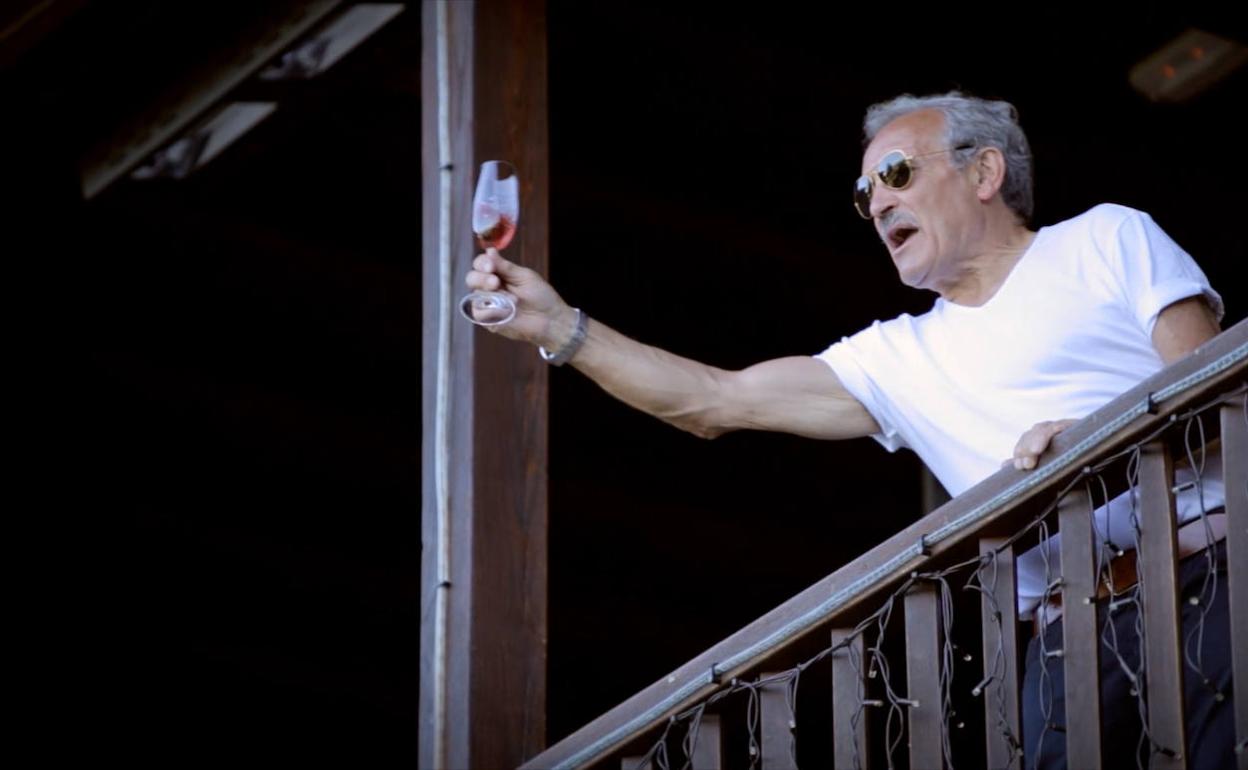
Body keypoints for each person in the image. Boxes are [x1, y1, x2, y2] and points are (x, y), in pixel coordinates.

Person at [464, 91, 1231, 770]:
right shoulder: (898, 355)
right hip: (1068, 643)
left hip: (1213, 576)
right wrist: (560, 328)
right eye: (865, 194)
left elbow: (1208, 389)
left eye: (896, 174)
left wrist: (1095, 440)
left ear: (985, 173)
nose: (878, 203)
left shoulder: (1103, 238)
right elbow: (709, 400)